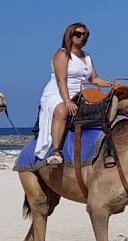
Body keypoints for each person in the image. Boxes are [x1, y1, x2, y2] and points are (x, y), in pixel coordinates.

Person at [34, 22, 116, 165]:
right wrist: (67, 101)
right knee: (62, 111)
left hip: (79, 94)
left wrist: (112, 84)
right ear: (70, 36)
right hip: (58, 93)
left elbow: (94, 79)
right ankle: (56, 152)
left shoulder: (88, 57)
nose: (82, 37)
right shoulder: (63, 54)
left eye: (85, 35)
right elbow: (61, 79)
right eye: (78, 34)